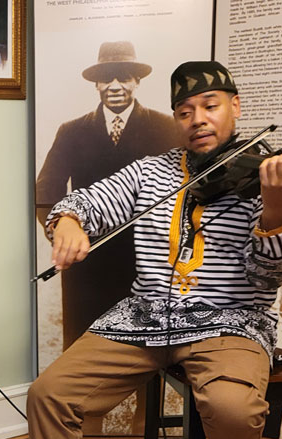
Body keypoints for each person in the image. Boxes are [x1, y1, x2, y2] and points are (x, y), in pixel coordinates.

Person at [1, 60, 282, 439]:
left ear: (235, 107)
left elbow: (272, 272)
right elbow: (80, 202)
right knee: (49, 394)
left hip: (229, 321)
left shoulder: (267, 176)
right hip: (145, 317)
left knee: (233, 412)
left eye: (210, 106)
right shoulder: (153, 172)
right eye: (185, 111)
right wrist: (69, 224)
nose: (198, 119)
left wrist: (277, 215)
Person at [36, 41, 180, 350]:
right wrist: (63, 234)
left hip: (145, 261)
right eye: (107, 78)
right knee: (80, 347)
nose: (115, 85)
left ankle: (145, 400)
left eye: (124, 76)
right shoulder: (71, 131)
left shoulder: (166, 128)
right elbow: (47, 188)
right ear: (97, 83)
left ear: (137, 81)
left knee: (146, 351)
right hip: (88, 261)